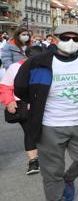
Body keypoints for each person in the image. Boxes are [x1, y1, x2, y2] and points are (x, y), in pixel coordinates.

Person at [14, 25, 78, 201]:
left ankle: (68, 179)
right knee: (52, 172)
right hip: (50, 125)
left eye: (76, 38)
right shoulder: (37, 62)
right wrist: (39, 102)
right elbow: (20, 88)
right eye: (65, 37)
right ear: (55, 38)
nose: (70, 41)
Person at [0, 45, 45, 174]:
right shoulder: (15, 68)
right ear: (26, 56)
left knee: (44, 132)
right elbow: (5, 86)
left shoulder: (48, 66)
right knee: (30, 131)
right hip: (23, 105)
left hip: (44, 105)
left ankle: (48, 156)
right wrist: (9, 101)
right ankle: (33, 162)